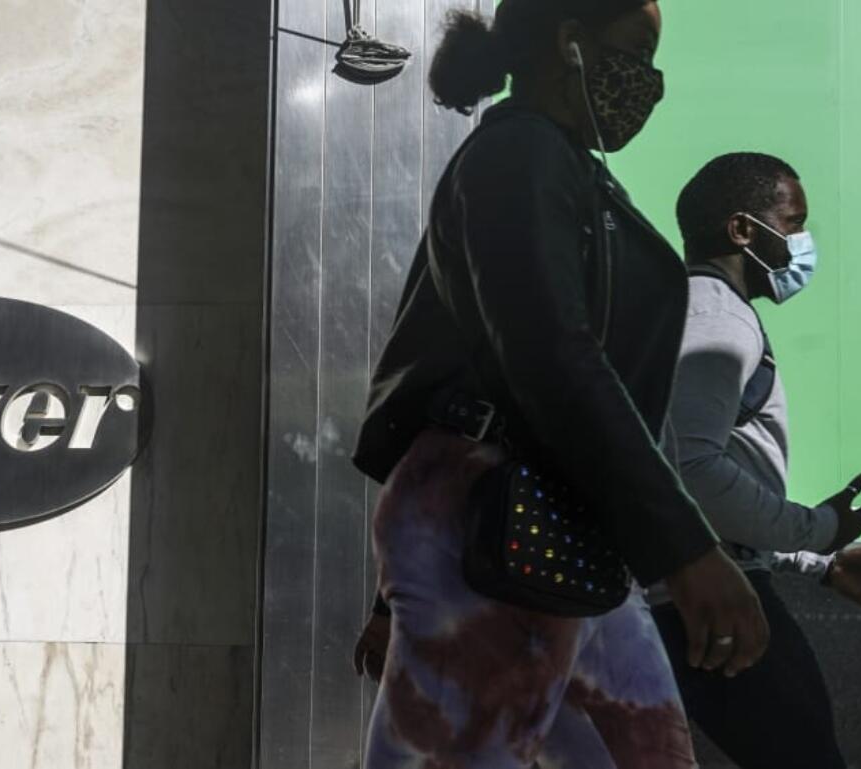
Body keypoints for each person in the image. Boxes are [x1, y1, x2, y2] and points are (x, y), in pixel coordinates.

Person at [349, 2, 771, 766]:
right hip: (506, 514)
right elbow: (548, 357)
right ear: (569, 43)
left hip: (545, 520)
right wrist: (686, 546)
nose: (650, 82)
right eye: (636, 51)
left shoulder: (565, 170)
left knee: (646, 751)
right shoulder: (520, 157)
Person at [647, 152, 861, 769]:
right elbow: (691, 473)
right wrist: (818, 528)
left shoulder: (694, 310)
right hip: (708, 600)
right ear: (743, 230)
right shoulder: (717, 317)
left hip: (697, 590)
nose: (802, 244)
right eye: (793, 225)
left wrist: (819, 562)